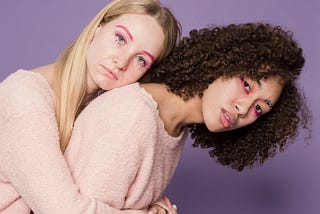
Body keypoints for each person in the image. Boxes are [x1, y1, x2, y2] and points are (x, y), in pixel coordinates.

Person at [61, 22, 311, 213]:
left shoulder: (175, 127)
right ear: (221, 62)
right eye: (246, 85)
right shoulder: (135, 114)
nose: (243, 109)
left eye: (259, 109)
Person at [0, 0, 181, 213]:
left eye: (141, 60)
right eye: (120, 39)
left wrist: (156, 205)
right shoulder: (25, 97)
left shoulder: (101, 111)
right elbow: (62, 209)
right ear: (98, 27)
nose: (122, 62)